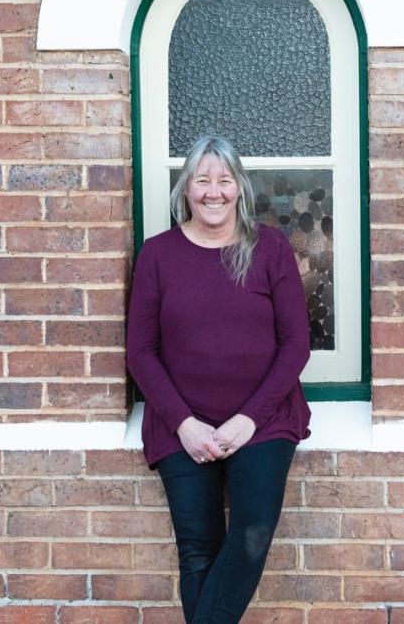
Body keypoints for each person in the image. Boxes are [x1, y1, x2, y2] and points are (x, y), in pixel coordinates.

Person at [125, 133, 311, 624]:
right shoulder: (158, 255)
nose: (214, 191)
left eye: (224, 180)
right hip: (180, 423)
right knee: (198, 550)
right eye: (202, 180)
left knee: (250, 536)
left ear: (240, 188)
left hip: (263, 422)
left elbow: (296, 344)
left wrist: (248, 420)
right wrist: (185, 423)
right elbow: (140, 352)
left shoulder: (270, 248)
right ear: (185, 189)